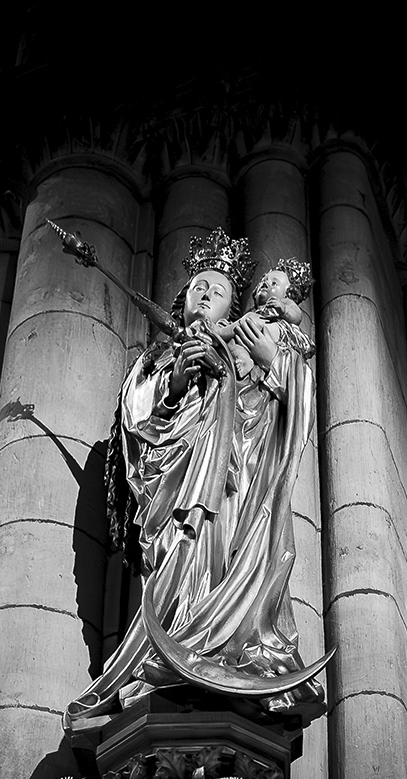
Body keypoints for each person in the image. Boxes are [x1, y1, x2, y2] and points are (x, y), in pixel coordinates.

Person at [65, 235, 327, 728]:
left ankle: (227, 649)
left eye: (220, 290)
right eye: (198, 286)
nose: (206, 293)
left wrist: (267, 362)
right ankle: (172, 650)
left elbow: (291, 406)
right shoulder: (155, 361)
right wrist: (179, 382)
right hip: (175, 500)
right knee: (179, 556)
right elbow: (139, 420)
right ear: (182, 298)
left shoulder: (249, 342)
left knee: (230, 546)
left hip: (235, 491)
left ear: (236, 305)